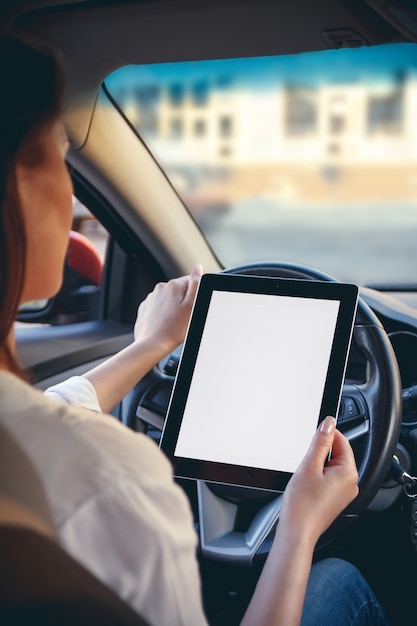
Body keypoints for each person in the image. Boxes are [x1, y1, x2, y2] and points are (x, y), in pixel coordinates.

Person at [0, 35, 389, 626]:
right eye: (58, 152)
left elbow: (52, 411)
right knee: (340, 580)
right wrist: (301, 525)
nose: (71, 188)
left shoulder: (31, 439)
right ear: (20, 187)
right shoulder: (113, 481)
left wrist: (152, 345)